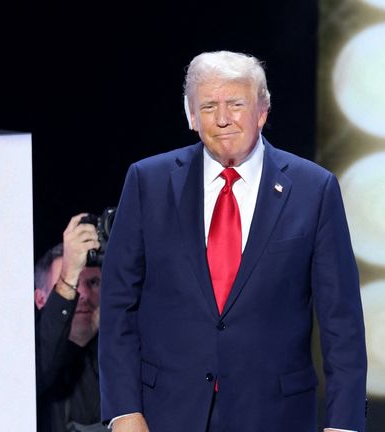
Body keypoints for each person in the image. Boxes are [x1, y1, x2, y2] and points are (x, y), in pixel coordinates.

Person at [99, 51, 367, 432]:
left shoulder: (314, 189)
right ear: (192, 116)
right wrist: (123, 409)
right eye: (208, 106)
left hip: (275, 415)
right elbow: (117, 304)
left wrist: (344, 423)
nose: (222, 119)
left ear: (262, 111)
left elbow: (342, 319)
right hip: (166, 415)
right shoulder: (148, 183)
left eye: (235, 104)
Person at [35, 214, 107, 432]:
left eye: (93, 282)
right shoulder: (23, 363)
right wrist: (70, 271)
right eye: (72, 284)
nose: (83, 295)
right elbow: (41, 362)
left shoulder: (128, 356)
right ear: (40, 299)